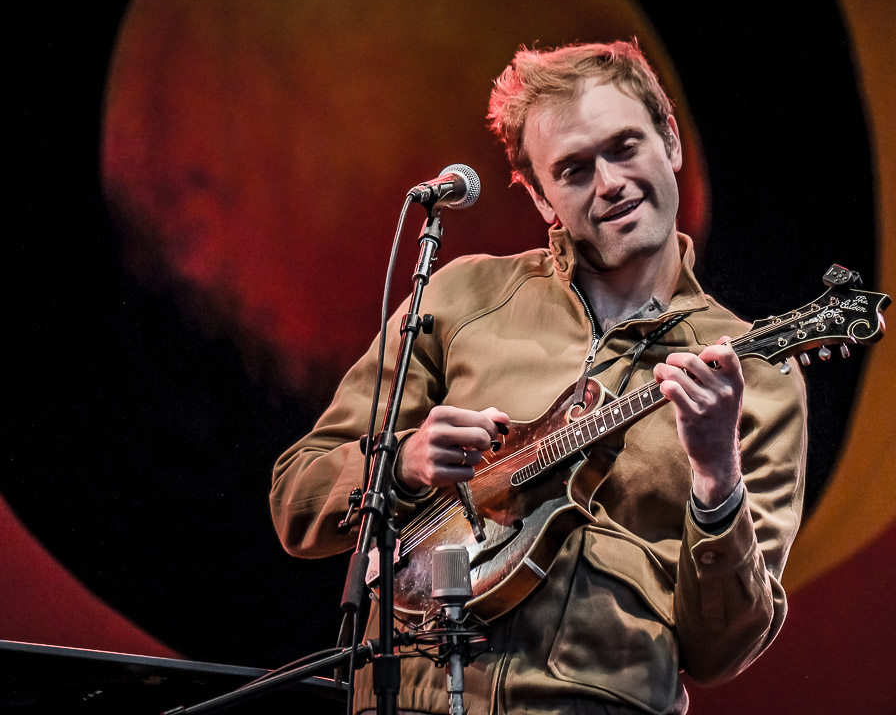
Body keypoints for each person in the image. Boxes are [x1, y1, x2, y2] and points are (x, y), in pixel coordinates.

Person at [270, 40, 808, 714]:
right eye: (575, 169)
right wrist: (404, 462)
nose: (610, 182)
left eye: (625, 147)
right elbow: (297, 498)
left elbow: (722, 650)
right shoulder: (460, 298)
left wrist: (716, 476)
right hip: (409, 699)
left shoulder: (757, 376)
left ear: (670, 141)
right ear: (540, 197)